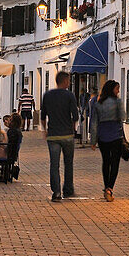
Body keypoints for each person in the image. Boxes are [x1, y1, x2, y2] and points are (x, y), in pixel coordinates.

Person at [40, 71, 78, 202]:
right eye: (68, 80)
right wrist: (73, 128)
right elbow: (75, 115)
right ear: (65, 81)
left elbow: (43, 116)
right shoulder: (69, 95)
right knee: (68, 163)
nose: (70, 83)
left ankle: (56, 192)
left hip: (53, 135)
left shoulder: (48, 95)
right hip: (67, 135)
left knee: (54, 164)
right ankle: (68, 189)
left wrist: (44, 130)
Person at [91, 80, 127, 202]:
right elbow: (123, 116)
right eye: (117, 89)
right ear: (112, 89)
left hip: (102, 136)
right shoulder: (118, 102)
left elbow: (94, 122)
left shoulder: (98, 103)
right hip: (116, 135)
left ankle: (106, 186)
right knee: (115, 163)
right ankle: (110, 188)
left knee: (106, 162)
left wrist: (93, 140)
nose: (118, 91)